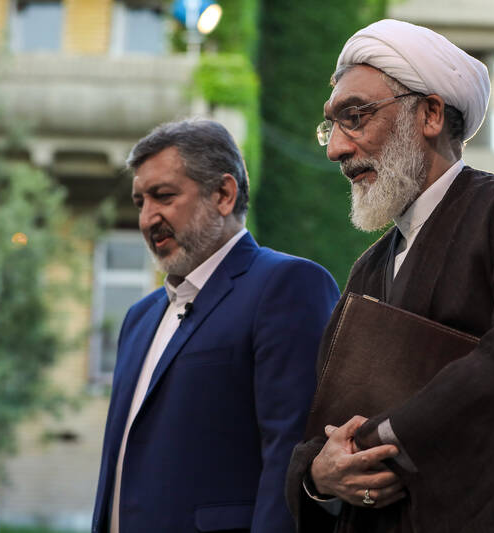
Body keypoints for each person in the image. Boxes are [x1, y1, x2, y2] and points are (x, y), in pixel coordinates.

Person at [285, 19, 494, 533]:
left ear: (431, 114)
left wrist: (376, 442)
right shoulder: (368, 268)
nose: (336, 150)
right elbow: (327, 421)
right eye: (332, 126)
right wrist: (320, 476)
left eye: (356, 117)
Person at [91, 119, 340, 533]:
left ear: (223, 194)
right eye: (139, 202)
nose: (147, 218)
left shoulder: (286, 285)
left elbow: (290, 453)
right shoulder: (138, 319)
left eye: (163, 196)